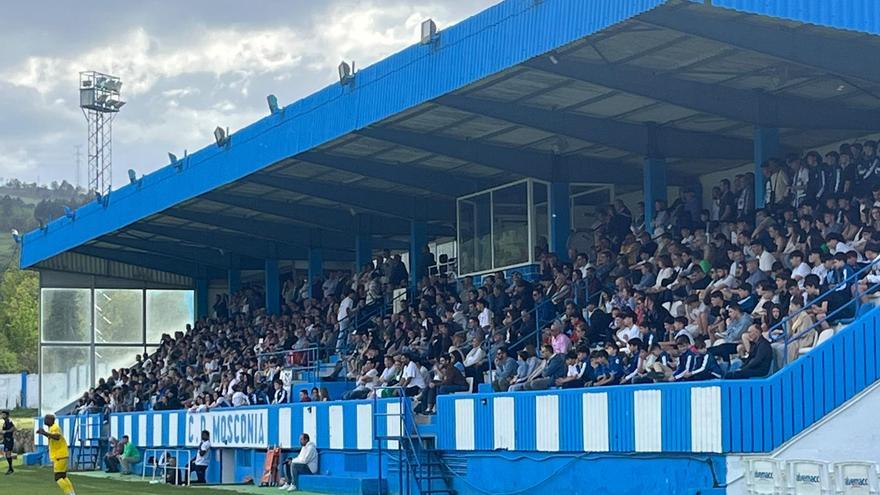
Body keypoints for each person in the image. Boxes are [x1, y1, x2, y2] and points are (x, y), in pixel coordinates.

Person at [36, 414, 76, 495]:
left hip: (59, 455)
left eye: (46, 419)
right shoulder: (51, 428)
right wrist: (44, 433)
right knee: (63, 476)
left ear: (51, 420)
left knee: (58, 477)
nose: (44, 420)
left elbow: (57, 437)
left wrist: (44, 432)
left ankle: (69, 493)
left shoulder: (55, 427)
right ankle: (72, 493)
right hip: (61, 455)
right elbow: (53, 437)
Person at [1, 410, 14, 474]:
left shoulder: (9, 421)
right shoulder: (5, 422)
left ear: (7, 415)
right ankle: (10, 468)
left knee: (8, 454)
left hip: (9, 440)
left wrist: (6, 431)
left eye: (4, 414)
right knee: (6, 454)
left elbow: (13, 428)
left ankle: (10, 468)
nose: (2, 416)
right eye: (2, 414)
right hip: (6, 440)